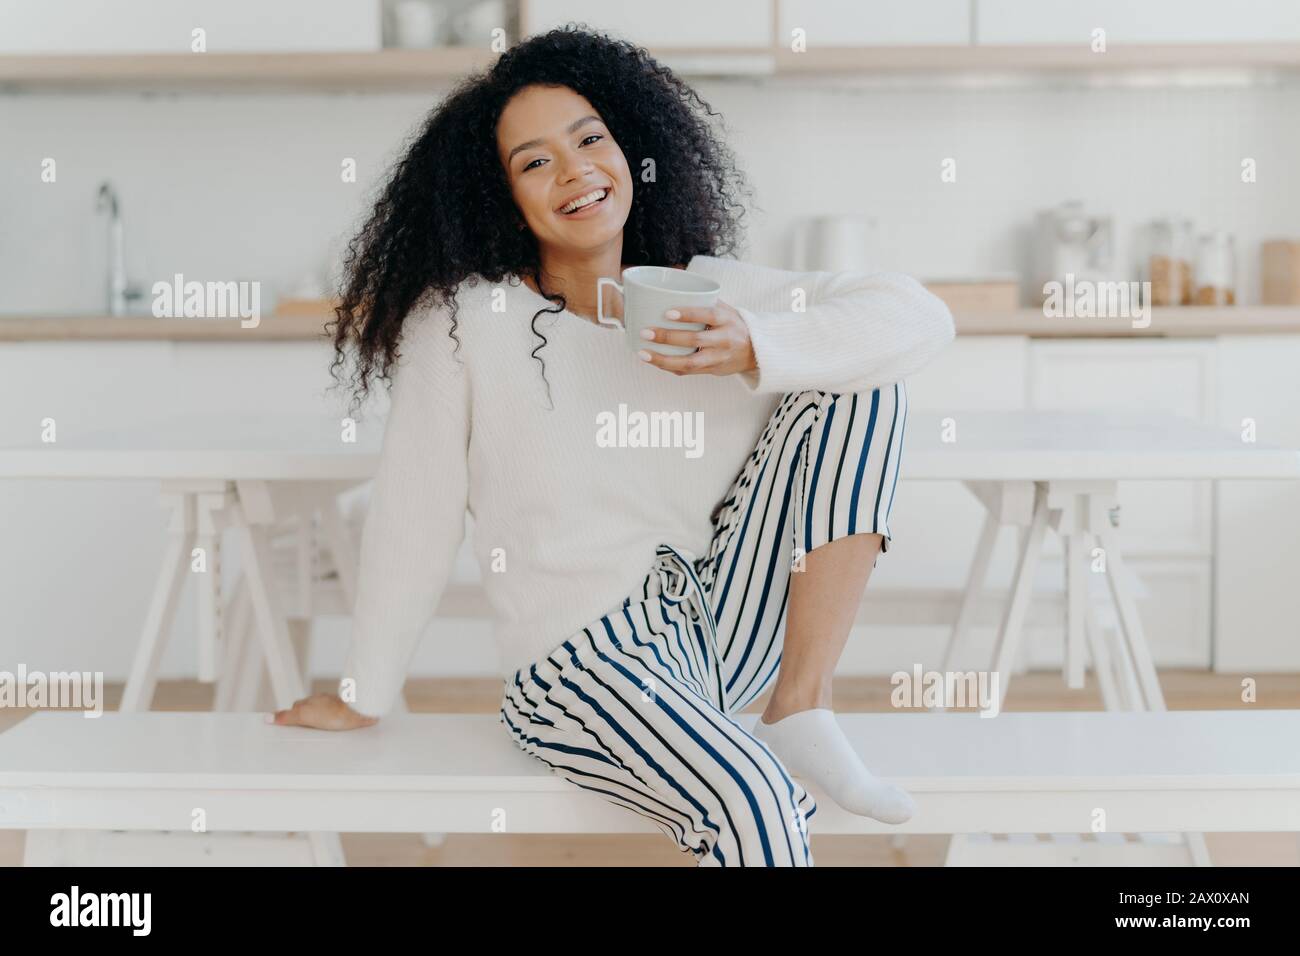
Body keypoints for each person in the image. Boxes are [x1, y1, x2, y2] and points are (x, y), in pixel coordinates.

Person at [272, 26, 955, 867]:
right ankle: (770, 754)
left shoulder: (717, 295)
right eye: (534, 162)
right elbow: (415, 516)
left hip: (723, 634)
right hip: (580, 664)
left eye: (590, 139)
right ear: (502, 197)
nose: (575, 171)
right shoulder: (463, 324)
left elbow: (920, 317)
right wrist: (363, 693)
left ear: (632, 146)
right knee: (755, 799)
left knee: (861, 369)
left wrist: (758, 344)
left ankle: (802, 705)